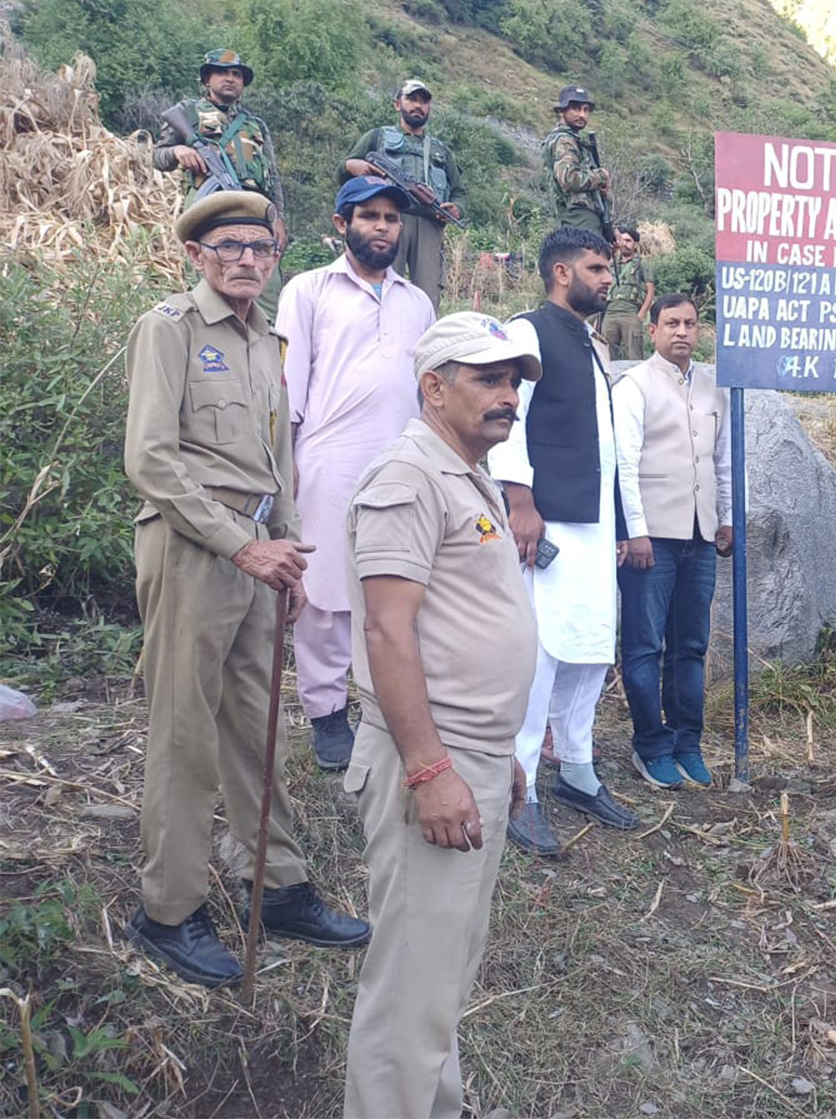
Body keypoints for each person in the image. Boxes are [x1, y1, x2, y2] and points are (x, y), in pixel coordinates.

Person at [123, 191, 369, 988]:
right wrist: (241, 546)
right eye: (229, 246)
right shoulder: (170, 328)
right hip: (195, 550)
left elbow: (277, 458)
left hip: (262, 554)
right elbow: (151, 460)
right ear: (197, 255)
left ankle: (280, 885)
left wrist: (288, 554)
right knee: (185, 730)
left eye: (261, 248)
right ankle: (169, 909)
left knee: (256, 726)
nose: (247, 260)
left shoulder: (267, 338)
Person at [341, 311, 542, 1118]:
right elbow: (387, 631)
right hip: (431, 761)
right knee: (410, 988)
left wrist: (499, 750)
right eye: (489, 379)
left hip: (471, 753)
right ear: (433, 387)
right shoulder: (409, 478)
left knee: (444, 970)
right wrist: (431, 769)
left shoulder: (465, 472)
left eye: (513, 381)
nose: (508, 396)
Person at [278, 176, 436, 772]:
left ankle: (385, 708)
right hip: (328, 459)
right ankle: (326, 716)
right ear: (342, 225)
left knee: (394, 586)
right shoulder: (308, 290)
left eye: (391, 218)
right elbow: (289, 384)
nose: (383, 227)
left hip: (401, 463)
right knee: (324, 594)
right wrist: (287, 463)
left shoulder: (416, 302)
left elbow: (428, 392)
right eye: (370, 216)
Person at [488, 226, 636, 856]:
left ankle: (577, 768)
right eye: (597, 269)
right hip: (547, 520)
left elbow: (606, 444)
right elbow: (508, 417)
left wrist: (621, 524)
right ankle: (518, 785)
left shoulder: (590, 341)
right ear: (561, 273)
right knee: (542, 652)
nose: (608, 279)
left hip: (594, 523)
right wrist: (520, 502)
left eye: (608, 269)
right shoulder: (526, 332)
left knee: (589, 648)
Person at [615, 294, 732, 790]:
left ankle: (688, 743)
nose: (682, 332)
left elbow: (722, 460)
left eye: (690, 323)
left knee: (691, 645)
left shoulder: (713, 387)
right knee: (645, 645)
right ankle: (652, 745)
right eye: (671, 324)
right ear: (654, 330)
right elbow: (625, 463)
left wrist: (728, 517)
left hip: (700, 536)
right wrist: (634, 531)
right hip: (652, 539)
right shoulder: (634, 385)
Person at [153, 49, 288, 317]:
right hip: (208, 206)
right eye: (222, 73)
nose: (230, 78)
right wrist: (178, 151)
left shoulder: (256, 125)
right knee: (209, 276)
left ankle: (264, 336)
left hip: (254, 209)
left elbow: (272, 176)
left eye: (236, 74)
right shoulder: (188, 113)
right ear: (207, 79)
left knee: (265, 283)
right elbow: (158, 157)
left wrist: (279, 218)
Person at [341, 79, 465, 308]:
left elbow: (460, 191)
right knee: (379, 285)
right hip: (387, 219)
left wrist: (457, 209)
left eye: (424, 101)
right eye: (412, 99)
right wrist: (351, 166)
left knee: (428, 295)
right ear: (397, 104)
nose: (418, 105)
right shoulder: (377, 137)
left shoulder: (441, 150)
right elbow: (344, 171)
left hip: (429, 225)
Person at [543, 85, 611, 241]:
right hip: (578, 217)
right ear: (562, 111)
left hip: (582, 218)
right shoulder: (564, 140)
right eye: (576, 109)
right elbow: (569, 179)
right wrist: (602, 176)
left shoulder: (572, 139)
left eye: (586, 110)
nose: (582, 115)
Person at [600, 224, 656, 361]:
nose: (624, 244)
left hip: (631, 313)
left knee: (634, 356)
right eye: (622, 240)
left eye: (628, 241)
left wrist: (641, 315)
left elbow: (650, 291)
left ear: (635, 244)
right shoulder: (611, 263)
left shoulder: (642, 264)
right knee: (606, 356)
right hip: (610, 313)